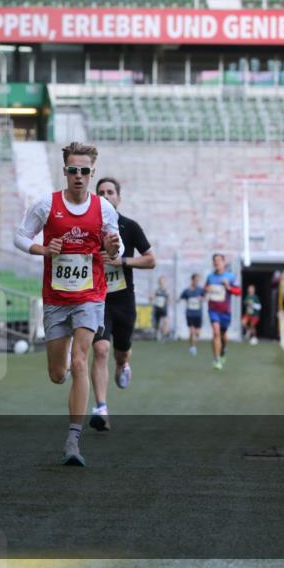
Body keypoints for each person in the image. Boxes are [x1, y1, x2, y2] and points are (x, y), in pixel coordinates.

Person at [15, 142, 121, 466]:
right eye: (73, 170)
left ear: (92, 172)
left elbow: (115, 248)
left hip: (90, 295)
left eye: (84, 171)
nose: (78, 175)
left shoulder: (104, 208)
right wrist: (43, 250)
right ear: (65, 171)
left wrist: (112, 247)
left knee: (80, 361)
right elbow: (20, 236)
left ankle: (73, 440)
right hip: (56, 298)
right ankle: (64, 378)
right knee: (57, 372)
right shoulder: (47, 204)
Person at [90, 177, 155, 432]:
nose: (106, 196)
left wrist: (122, 261)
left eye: (110, 192)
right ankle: (101, 408)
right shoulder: (88, 228)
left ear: (118, 197)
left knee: (121, 351)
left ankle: (123, 364)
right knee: (101, 349)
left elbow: (151, 260)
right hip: (98, 300)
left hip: (123, 301)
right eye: (101, 192)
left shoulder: (130, 226)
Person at [205, 253, 241, 371]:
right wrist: (206, 291)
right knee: (216, 332)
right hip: (213, 310)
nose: (217, 262)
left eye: (219, 260)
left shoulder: (230, 277)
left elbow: (238, 292)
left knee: (223, 335)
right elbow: (205, 290)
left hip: (225, 311)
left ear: (223, 262)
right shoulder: (210, 277)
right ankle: (217, 359)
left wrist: (228, 287)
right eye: (215, 260)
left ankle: (223, 349)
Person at [179, 273, 206, 355]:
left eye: (198, 280)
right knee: (192, 332)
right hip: (190, 314)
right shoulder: (187, 290)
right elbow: (181, 297)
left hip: (198, 314)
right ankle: (192, 347)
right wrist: (177, 300)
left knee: (197, 333)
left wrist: (201, 298)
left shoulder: (201, 290)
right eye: (195, 280)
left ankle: (194, 342)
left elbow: (206, 297)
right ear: (192, 280)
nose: (197, 281)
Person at [151, 276, 170, 342]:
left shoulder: (166, 291)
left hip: (164, 309)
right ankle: (159, 334)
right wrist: (151, 297)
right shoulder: (157, 291)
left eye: (163, 281)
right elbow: (152, 297)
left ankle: (165, 335)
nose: (162, 283)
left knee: (166, 322)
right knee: (158, 324)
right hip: (157, 309)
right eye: (160, 281)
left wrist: (169, 301)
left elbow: (169, 298)